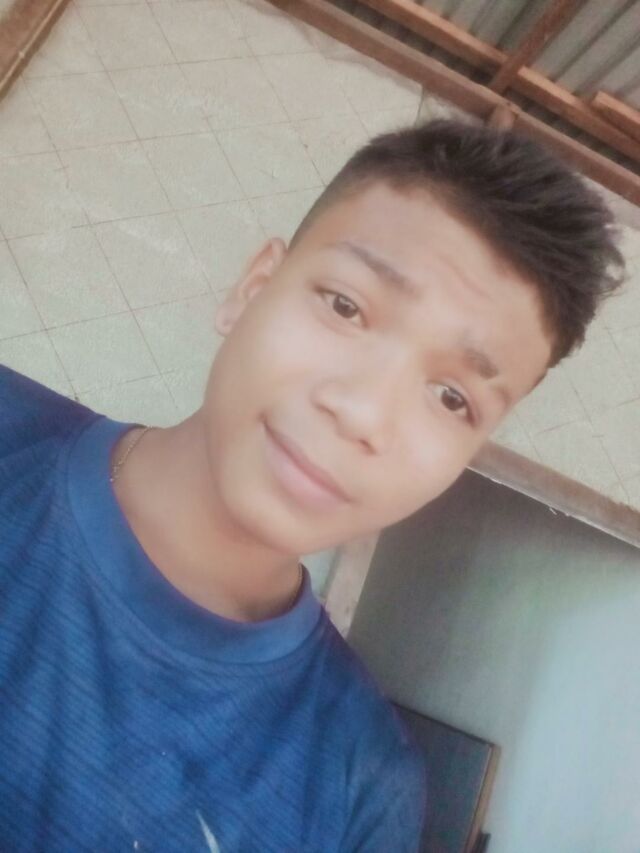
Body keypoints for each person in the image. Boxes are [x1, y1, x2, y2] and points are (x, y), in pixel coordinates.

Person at [0, 119, 624, 852]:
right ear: (252, 288)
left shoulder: (362, 786)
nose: (363, 413)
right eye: (345, 306)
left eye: (452, 398)